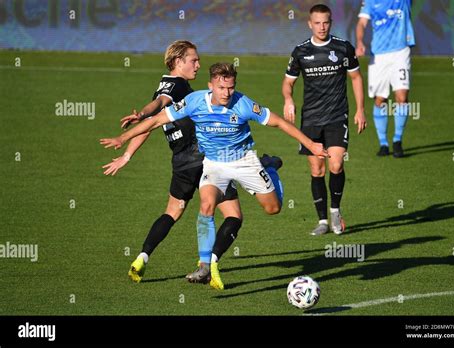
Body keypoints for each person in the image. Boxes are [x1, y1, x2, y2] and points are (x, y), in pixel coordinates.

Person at [100, 62, 328, 290]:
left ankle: (268, 167)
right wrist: (123, 138)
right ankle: (206, 266)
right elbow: (157, 120)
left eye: (230, 87)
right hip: (214, 164)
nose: (227, 93)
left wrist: (311, 145)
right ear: (211, 86)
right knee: (206, 206)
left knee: (273, 208)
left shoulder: (243, 104)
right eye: (221, 88)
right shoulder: (195, 101)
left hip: (243, 161)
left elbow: (278, 122)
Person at [101, 40, 243, 284]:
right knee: (233, 216)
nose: (198, 65)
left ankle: (143, 256)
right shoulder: (176, 85)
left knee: (172, 212)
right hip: (204, 158)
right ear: (178, 62)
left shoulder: (165, 84)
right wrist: (143, 113)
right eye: (193, 60)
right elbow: (158, 105)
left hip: (181, 163)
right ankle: (208, 265)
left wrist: (127, 155)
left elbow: (151, 124)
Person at [282, 4, 367, 236]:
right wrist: (288, 100)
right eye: (317, 23)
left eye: (326, 22)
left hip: (337, 115)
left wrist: (360, 109)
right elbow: (288, 82)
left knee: (336, 164)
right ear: (310, 24)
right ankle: (321, 221)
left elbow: (356, 78)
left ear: (331, 23)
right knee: (317, 169)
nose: (322, 27)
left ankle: (335, 212)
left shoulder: (343, 48)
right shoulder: (300, 52)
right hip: (310, 118)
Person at [356, 0, 415, 157]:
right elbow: (361, 23)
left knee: (402, 97)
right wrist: (360, 41)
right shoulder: (370, 2)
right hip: (379, 55)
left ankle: (397, 141)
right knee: (380, 99)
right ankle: (383, 143)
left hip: (401, 52)